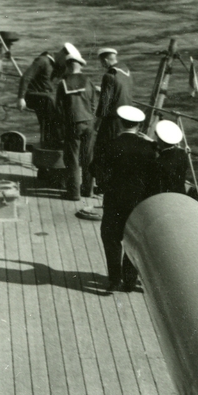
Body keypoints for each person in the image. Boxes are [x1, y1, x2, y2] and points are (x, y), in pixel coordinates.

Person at [99, 105, 155, 291]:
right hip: (138, 202)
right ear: (139, 125)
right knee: (133, 240)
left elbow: (95, 169)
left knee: (111, 238)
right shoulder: (149, 148)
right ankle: (130, 280)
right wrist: (151, 141)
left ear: (120, 123)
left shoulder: (112, 144)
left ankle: (115, 279)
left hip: (114, 200)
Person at [54, 44, 96, 201]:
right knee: (88, 157)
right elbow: (93, 103)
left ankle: (73, 193)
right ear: (80, 66)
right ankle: (88, 190)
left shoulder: (62, 84)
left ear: (67, 66)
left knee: (72, 159)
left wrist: (61, 127)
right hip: (89, 122)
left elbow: (59, 109)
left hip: (73, 124)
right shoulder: (88, 81)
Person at [91, 47, 133, 189]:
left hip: (112, 120)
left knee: (102, 150)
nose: (102, 65)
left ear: (105, 60)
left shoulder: (109, 75)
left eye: (102, 62)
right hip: (126, 118)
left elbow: (105, 103)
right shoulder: (126, 71)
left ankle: (103, 184)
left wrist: (97, 122)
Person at [17, 49, 58, 147]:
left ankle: (52, 142)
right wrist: (21, 98)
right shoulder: (42, 61)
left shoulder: (57, 65)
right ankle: (46, 144)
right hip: (35, 96)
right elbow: (26, 77)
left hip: (47, 98)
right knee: (47, 119)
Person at [151, 119, 189, 195]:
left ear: (161, 141)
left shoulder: (159, 163)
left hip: (165, 197)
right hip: (181, 194)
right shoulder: (183, 154)